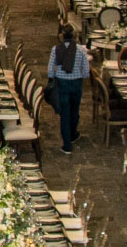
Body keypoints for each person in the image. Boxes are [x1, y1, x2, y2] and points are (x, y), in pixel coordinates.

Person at [47, 24, 89, 154]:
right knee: (75, 111)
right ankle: (73, 134)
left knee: (64, 113)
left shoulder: (56, 49)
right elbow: (86, 71)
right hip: (76, 83)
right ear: (75, 35)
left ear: (61, 36)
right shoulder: (81, 50)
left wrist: (52, 79)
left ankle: (67, 145)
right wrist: (81, 75)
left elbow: (50, 69)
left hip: (62, 83)